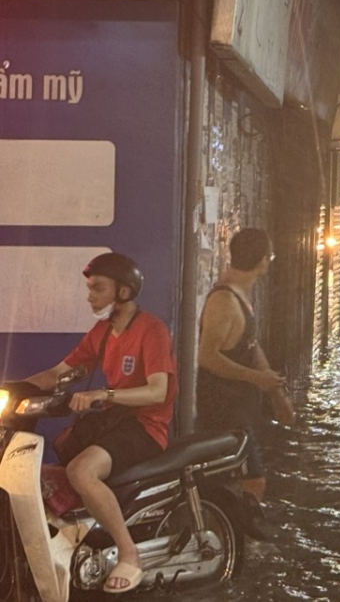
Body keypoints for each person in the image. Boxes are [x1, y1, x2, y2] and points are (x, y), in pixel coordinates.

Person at [23, 253, 177, 594]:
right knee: (64, 449)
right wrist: (13, 389)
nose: (90, 295)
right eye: (90, 288)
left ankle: (129, 553)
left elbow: (157, 391)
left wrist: (103, 395)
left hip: (147, 426)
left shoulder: (151, 330)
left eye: (98, 288)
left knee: (81, 471)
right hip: (117, 421)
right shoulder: (102, 332)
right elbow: (57, 373)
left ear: (123, 292)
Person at [196, 228, 288, 539]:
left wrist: (276, 393)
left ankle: (233, 536)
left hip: (240, 405)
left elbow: (251, 345)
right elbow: (208, 358)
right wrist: (256, 378)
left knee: (243, 478)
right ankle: (230, 539)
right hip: (223, 406)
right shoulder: (224, 300)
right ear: (264, 262)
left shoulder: (239, 295)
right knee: (252, 478)